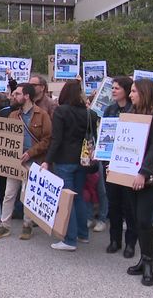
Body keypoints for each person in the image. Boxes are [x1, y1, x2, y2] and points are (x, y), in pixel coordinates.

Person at [124, 79, 153, 286]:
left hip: (149, 176)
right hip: (130, 174)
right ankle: (143, 259)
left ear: (144, 93)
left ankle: (149, 263)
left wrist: (143, 173)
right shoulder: (132, 114)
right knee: (135, 218)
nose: (130, 94)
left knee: (144, 219)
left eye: (134, 91)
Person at [41, 80, 96, 251]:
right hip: (82, 160)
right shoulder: (90, 113)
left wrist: (47, 160)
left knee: (67, 199)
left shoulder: (61, 111)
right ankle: (83, 234)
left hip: (64, 159)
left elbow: (56, 139)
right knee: (78, 197)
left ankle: (70, 239)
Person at [0, 83, 51, 240]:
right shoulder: (13, 115)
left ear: (27, 96)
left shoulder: (42, 115)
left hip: (33, 161)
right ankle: (4, 226)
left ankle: (27, 225)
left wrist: (30, 153)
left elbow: (47, 139)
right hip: (15, 161)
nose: (13, 96)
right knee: (9, 193)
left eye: (17, 94)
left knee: (27, 194)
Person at [102, 76, 138, 258]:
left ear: (126, 90)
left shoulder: (136, 110)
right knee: (114, 204)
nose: (113, 91)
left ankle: (131, 243)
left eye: (117, 88)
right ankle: (115, 240)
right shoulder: (109, 110)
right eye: (112, 88)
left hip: (129, 165)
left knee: (129, 205)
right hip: (110, 164)